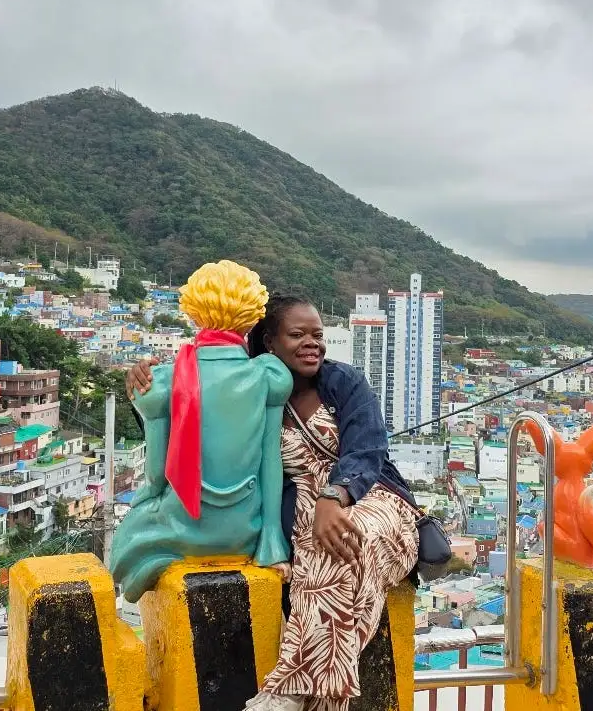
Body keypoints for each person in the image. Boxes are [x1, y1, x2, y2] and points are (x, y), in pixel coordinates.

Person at [128, 294, 419, 711]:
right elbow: (192, 424)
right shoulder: (252, 386)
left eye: (318, 335)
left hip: (369, 498)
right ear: (270, 340)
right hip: (298, 502)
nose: (312, 344)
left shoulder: (345, 383)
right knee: (319, 550)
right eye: (297, 334)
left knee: (349, 539)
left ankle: (289, 688)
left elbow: (367, 451)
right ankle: (319, 699)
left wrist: (335, 496)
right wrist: (141, 390)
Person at [109, 261, 293, 602]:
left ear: (193, 313)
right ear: (252, 317)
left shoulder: (163, 380)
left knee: (127, 538)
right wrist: (271, 538)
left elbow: (155, 475)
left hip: (185, 527)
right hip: (246, 531)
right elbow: (271, 463)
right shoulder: (268, 375)